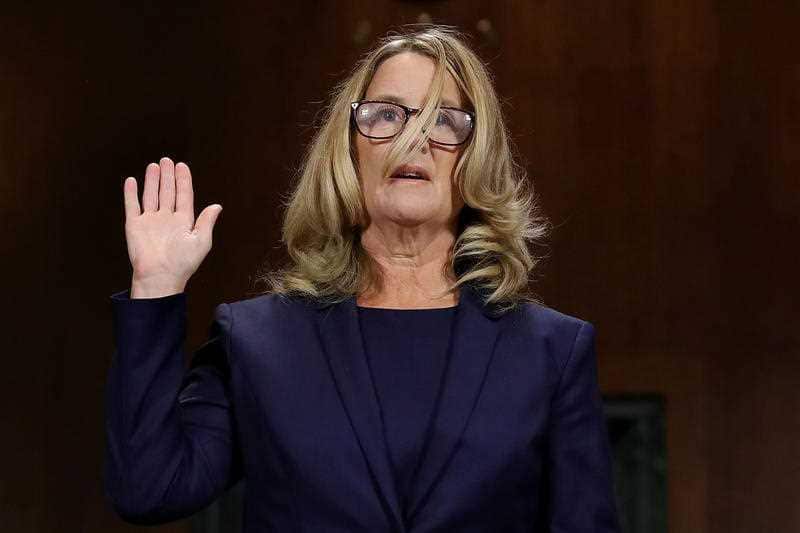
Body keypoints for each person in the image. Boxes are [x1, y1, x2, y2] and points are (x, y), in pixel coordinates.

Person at [105, 24, 620, 532]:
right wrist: (156, 287)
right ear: (350, 151)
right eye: (386, 115)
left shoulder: (552, 351)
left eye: (445, 121)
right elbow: (150, 489)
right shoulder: (258, 342)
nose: (413, 140)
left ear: (476, 160)